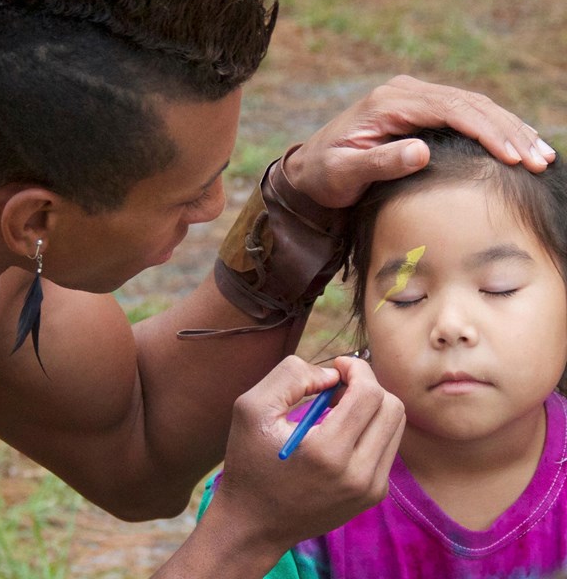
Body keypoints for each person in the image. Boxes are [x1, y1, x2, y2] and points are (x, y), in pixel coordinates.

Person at [0, 0, 556, 577]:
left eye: (500, 286)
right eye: (189, 192)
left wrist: (299, 207)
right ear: (35, 221)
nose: (214, 208)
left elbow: (135, 437)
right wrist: (246, 534)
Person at [201, 128, 567, 578]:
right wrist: (253, 523)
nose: (451, 326)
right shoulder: (289, 490)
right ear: (365, 316)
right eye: (407, 297)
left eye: (499, 287)